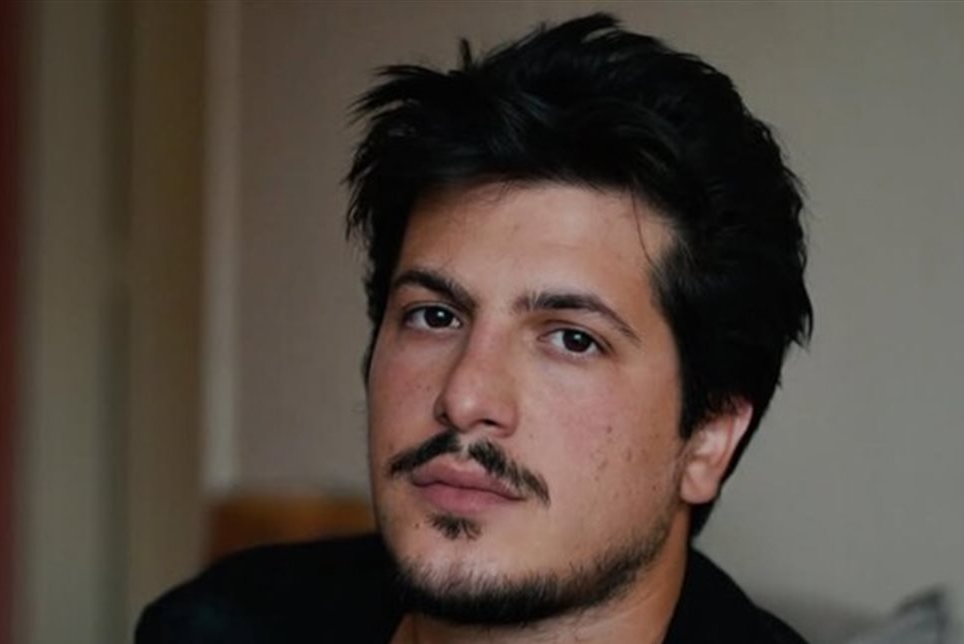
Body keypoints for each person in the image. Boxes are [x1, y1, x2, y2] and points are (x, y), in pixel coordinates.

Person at [137, 12, 811, 644]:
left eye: (572, 338)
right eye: (435, 316)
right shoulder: (216, 623)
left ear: (708, 438)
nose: (464, 397)